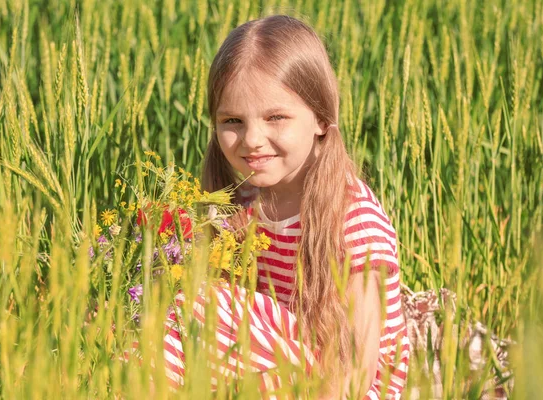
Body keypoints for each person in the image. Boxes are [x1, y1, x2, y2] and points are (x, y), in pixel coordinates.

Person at [164, 15, 409, 399]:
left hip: (341, 386)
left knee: (196, 305)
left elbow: (354, 374)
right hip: (271, 372)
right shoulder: (237, 201)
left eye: (276, 117)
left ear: (321, 119)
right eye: (233, 121)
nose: (252, 140)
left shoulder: (354, 222)